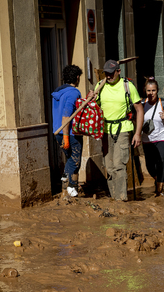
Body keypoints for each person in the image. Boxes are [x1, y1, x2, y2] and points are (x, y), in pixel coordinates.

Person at [96, 59, 144, 202]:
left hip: (123, 129)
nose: (109, 76)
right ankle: (114, 198)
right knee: (109, 168)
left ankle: (121, 200)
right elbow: (93, 108)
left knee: (119, 166)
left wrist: (137, 133)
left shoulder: (127, 86)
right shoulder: (100, 85)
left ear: (118, 71)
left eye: (111, 73)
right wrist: (91, 98)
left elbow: (139, 110)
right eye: (106, 73)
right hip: (105, 131)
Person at [51, 65, 92, 197]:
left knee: (69, 159)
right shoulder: (73, 92)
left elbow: (76, 109)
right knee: (75, 160)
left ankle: (67, 189)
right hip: (70, 133)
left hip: (58, 132)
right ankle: (70, 186)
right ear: (77, 77)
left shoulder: (59, 92)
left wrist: (87, 99)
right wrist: (67, 137)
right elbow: (67, 115)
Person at [140, 78, 164, 196]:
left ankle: (159, 190)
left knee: (161, 162)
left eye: (153, 90)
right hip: (147, 140)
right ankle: (157, 179)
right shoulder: (142, 104)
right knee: (149, 165)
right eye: (148, 90)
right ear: (145, 91)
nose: (151, 93)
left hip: (162, 138)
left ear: (157, 91)